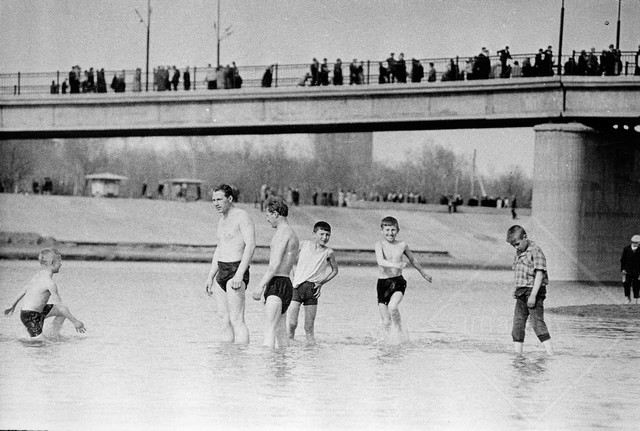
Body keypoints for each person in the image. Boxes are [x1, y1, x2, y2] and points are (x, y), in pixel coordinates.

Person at [204, 184, 256, 344]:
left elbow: (251, 244)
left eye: (219, 199)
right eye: (213, 200)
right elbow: (219, 248)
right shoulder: (221, 221)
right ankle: (227, 358)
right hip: (221, 268)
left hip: (236, 268)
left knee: (236, 318)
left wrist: (240, 273)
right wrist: (210, 276)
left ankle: (240, 360)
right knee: (223, 318)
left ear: (230, 198)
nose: (215, 203)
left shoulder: (242, 216)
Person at [4, 248, 86, 338]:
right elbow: (60, 305)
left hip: (36, 311)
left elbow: (25, 288)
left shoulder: (38, 275)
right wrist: (75, 321)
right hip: (30, 316)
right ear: (52, 262)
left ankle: (54, 335)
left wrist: (12, 305)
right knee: (38, 343)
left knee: (62, 313)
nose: (61, 264)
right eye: (59, 261)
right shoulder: (49, 283)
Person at [375, 216, 432, 341]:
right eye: (387, 230)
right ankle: (386, 344)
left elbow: (412, 259)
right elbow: (380, 261)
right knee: (386, 321)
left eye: (393, 230)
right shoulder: (379, 244)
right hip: (383, 283)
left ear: (398, 230)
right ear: (382, 231)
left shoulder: (402, 245)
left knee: (393, 307)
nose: (390, 233)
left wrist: (423, 273)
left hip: (397, 282)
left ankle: (401, 336)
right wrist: (397, 265)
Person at [252, 198, 299, 348]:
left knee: (269, 329)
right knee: (281, 331)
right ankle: (282, 368)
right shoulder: (293, 234)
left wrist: (260, 286)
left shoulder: (282, 233)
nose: (267, 219)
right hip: (286, 284)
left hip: (277, 282)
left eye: (268, 215)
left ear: (276, 214)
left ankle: (268, 366)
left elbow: (275, 264)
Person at [287, 221, 339, 343]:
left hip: (312, 290)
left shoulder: (328, 252)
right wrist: (291, 276)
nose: (324, 238)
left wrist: (322, 282)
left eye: (327, 235)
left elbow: (335, 270)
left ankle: (311, 355)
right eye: (321, 234)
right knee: (292, 323)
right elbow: (289, 260)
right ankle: (288, 350)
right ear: (313, 234)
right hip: (296, 287)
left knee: (309, 328)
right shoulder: (303, 245)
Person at [506, 225, 553, 356]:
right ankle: (518, 355)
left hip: (534, 291)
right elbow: (519, 273)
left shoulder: (536, 251)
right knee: (517, 325)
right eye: (513, 246)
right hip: (521, 292)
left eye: (517, 244)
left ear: (525, 237)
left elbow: (539, 274)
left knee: (537, 323)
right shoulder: (519, 253)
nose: (516, 247)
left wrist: (533, 295)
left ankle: (550, 354)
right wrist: (516, 289)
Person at [620, 234, 640, 304]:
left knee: (636, 285)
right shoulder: (626, 249)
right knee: (626, 284)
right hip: (627, 271)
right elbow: (623, 260)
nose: (638, 244)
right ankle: (628, 299)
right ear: (633, 242)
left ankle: (636, 300)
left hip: (637, 272)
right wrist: (623, 269)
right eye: (637, 243)